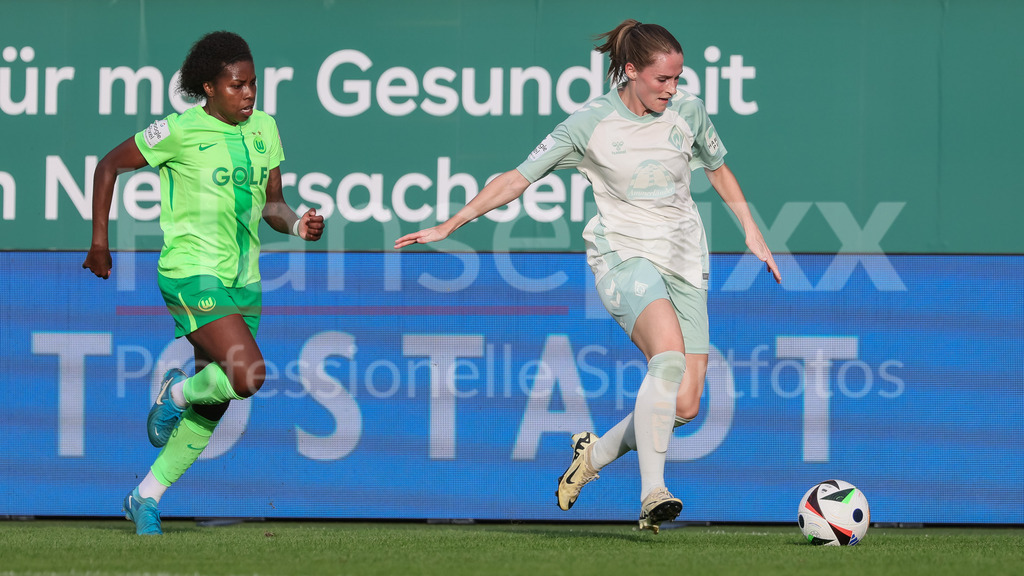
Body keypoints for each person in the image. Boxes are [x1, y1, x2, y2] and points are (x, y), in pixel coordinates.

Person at [395, 19, 780, 533]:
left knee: (684, 403)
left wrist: (751, 232)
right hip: (622, 254)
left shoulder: (687, 110)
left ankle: (592, 457)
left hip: (686, 255)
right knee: (665, 359)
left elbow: (718, 168)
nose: (672, 88)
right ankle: (652, 493)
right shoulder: (589, 124)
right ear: (630, 72)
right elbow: (517, 178)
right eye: (662, 79)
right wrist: (451, 223)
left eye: (677, 77)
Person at [82, 31, 324, 535]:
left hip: (244, 280)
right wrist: (99, 242)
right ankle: (173, 394)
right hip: (190, 272)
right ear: (209, 88)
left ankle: (145, 496)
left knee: (213, 401)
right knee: (249, 376)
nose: (249, 94)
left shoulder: (265, 129)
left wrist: (298, 222)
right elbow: (109, 166)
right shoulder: (178, 130)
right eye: (237, 86)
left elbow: (273, 203)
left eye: (253, 84)